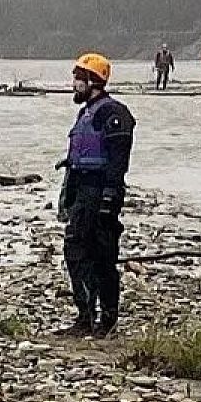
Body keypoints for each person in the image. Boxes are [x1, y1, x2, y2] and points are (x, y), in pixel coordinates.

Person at [57, 53, 135, 338]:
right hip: (83, 191)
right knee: (79, 251)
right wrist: (67, 197)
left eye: (78, 77)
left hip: (100, 191)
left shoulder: (112, 114)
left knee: (101, 255)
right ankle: (87, 316)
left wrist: (109, 197)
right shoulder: (86, 113)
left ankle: (105, 318)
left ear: (92, 81)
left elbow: (117, 161)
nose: (74, 83)